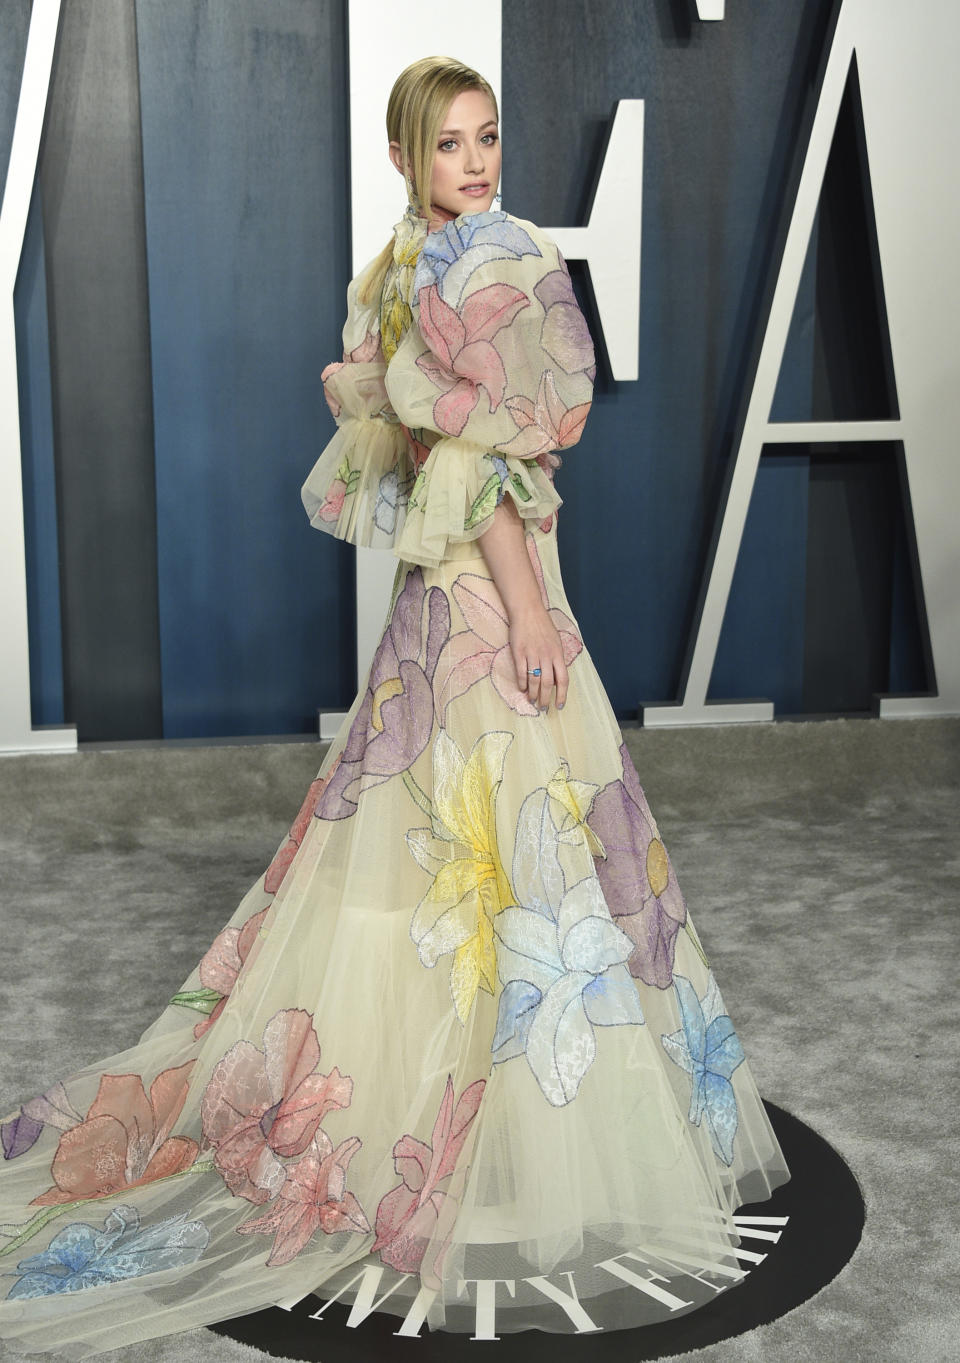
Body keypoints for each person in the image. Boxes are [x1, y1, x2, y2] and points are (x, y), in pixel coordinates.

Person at [0, 55, 789, 1356]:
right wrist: (530, 609)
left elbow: (460, 438)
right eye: (449, 146)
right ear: (408, 157)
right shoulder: (443, 277)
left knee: (466, 857)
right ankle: (480, 1138)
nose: (475, 162)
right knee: (516, 850)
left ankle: (495, 1122)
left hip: (460, 601)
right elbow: (467, 461)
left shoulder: (464, 260)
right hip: (489, 598)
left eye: (488, 138)